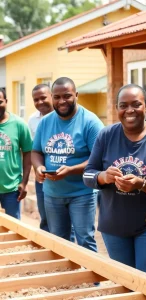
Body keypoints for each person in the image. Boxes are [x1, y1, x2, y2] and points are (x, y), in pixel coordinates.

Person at [83, 84, 146, 278]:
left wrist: (141, 184)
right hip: (114, 226)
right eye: (123, 105)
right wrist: (103, 177)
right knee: (123, 279)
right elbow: (87, 175)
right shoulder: (106, 136)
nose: (129, 110)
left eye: (136, 104)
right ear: (117, 109)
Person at [31, 77, 104, 252]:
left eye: (67, 96)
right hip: (52, 194)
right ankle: (67, 279)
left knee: (85, 239)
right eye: (57, 97)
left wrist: (70, 170)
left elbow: (99, 159)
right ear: (52, 97)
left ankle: (92, 279)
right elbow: (36, 152)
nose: (62, 101)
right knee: (59, 241)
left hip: (82, 193)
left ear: (76, 95)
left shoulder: (90, 122)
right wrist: (38, 167)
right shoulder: (45, 122)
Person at [0, 88, 32, 219]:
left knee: (14, 230)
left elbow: (28, 153)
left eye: (0, 101)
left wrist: (24, 182)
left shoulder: (19, 125)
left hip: (12, 189)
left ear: (6, 101)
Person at [28, 84, 53, 231]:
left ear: (51, 96)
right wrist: (37, 168)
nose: (40, 102)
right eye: (36, 99)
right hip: (42, 176)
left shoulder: (64, 117)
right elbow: (34, 149)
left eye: (43, 98)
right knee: (45, 218)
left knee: (67, 224)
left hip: (63, 174)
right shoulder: (33, 120)